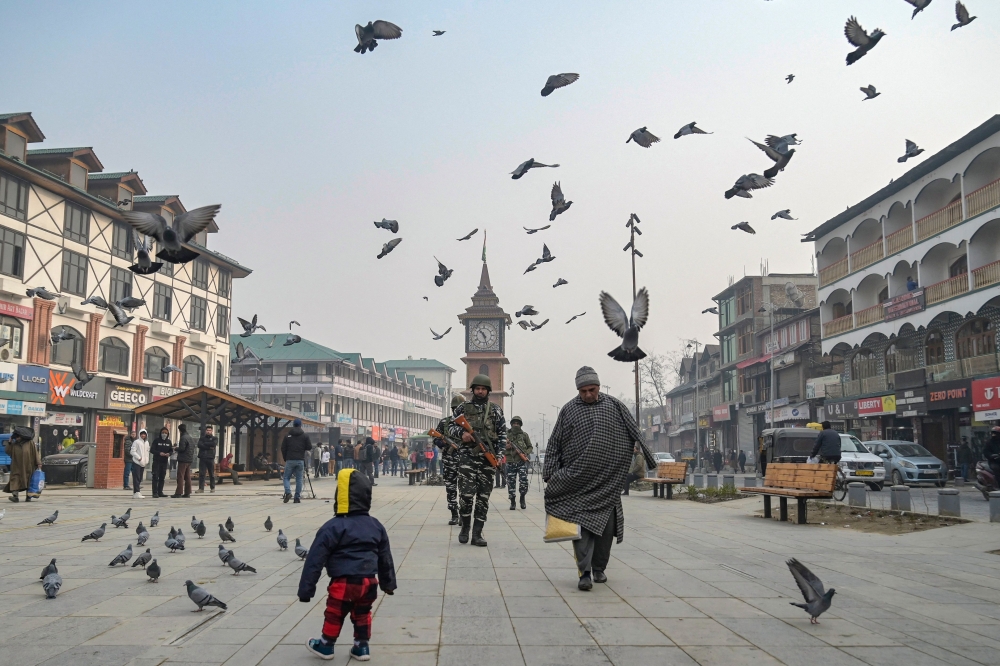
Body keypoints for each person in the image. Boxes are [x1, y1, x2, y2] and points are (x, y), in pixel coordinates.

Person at [544, 367, 654, 591]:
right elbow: (555, 442)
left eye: (591, 390)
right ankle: (584, 573)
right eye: (583, 391)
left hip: (608, 481)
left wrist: (649, 460)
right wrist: (551, 473)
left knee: (606, 530)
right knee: (581, 530)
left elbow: (634, 431)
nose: (587, 395)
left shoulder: (614, 406)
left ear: (598, 387)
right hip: (578, 481)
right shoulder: (569, 410)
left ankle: (599, 569)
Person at [299, 468, 397, 661]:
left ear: (340, 496)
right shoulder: (375, 525)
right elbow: (385, 557)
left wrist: (306, 590)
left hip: (343, 582)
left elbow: (314, 560)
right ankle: (361, 647)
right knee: (362, 613)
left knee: (335, 613)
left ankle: (326, 645)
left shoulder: (332, 527)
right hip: (369, 581)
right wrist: (388, 583)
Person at [449, 374, 507, 547]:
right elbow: (450, 427)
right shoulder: (462, 408)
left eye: (483, 389)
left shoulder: (496, 410)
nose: (480, 391)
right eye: (477, 389)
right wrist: (462, 434)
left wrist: (499, 455)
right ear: (473, 390)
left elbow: (503, 434)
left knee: (483, 497)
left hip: (487, 461)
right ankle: (465, 528)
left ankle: (477, 533)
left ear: (488, 391)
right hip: (468, 457)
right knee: (466, 496)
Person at [435, 395, 465, 525]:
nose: (456, 411)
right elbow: (435, 437)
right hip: (449, 461)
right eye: (455, 408)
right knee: (451, 488)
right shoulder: (444, 422)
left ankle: (464, 514)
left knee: (465, 489)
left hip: (465, 462)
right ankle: (454, 514)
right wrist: (443, 443)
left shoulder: (468, 424)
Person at [3, 427, 40, 503]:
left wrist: (38, 463)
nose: (17, 439)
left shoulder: (30, 443)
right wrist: (9, 442)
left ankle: (28, 496)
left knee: (28, 481)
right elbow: (7, 451)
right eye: (16, 437)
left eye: (18, 437)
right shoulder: (14, 444)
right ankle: (15, 497)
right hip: (16, 466)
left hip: (28, 466)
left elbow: (35, 453)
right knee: (15, 480)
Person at [505, 416, 533, 510]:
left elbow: (530, 447)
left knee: (524, 481)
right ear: (511, 424)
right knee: (510, 483)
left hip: (521, 462)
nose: (516, 425)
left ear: (520, 425)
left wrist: (525, 453)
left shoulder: (524, 435)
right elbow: (500, 447)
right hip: (510, 462)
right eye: (514, 423)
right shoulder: (506, 435)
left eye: (518, 423)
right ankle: (512, 502)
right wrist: (506, 447)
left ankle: (522, 498)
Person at [282, 418, 312, 503]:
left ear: (293, 425)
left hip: (290, 459)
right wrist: (302, 448)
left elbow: (283, 448)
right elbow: (309, 447)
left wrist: (285, 457)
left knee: (286, 477)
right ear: (300, 425)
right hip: (300, 460)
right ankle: (297, 498)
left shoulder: (287, 435)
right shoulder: (305, 436)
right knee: (299, 479)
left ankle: (288, 492)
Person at [172, 424, 194, 498]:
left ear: (180, 430)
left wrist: (175, 448)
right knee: (187, 476)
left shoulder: (183, 438)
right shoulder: (190, 437)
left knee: (180, 476)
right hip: (189, 459)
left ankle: (179, 492)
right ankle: (187, 492)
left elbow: (182, 448)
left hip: (183, 459)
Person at [151, 427, 172, 498]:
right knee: (155, 477)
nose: (164, 434)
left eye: (166, 433)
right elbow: (152, 450)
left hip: (164, 462)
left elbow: (171, 450)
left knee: (162, 477)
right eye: (163, 433)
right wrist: (159, 453)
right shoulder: (156, 441)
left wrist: (169, 454)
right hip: (157, 461)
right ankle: (155, 492)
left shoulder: (169, 442)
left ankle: (160, 492)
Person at [196, 425, 218, 493]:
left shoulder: (215, 438)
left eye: (210, 430)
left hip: (210, 457)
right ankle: (201, 488)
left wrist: (204, 444)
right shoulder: (202, 438)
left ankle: (212, 487)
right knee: (202, 474)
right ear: (205, 431)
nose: (208, 431)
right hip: (202, 457)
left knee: (211, 473)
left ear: (212, 431)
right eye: (207, 430)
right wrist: (209, 447)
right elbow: (199, 445)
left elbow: (214, 444)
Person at [130, 429, 150, 499]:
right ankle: (136, 492)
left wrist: (146, 460)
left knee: (140, 478)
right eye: (142, 434)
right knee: (136, 477)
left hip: (143, 463)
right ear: (139, 434)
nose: (143, 435)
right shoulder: (136, 442)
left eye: (144, 434)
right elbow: (132, 451)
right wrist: (138, 458)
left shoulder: (147, 443)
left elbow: (147, 452)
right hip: (137, 462)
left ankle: (137, 492)